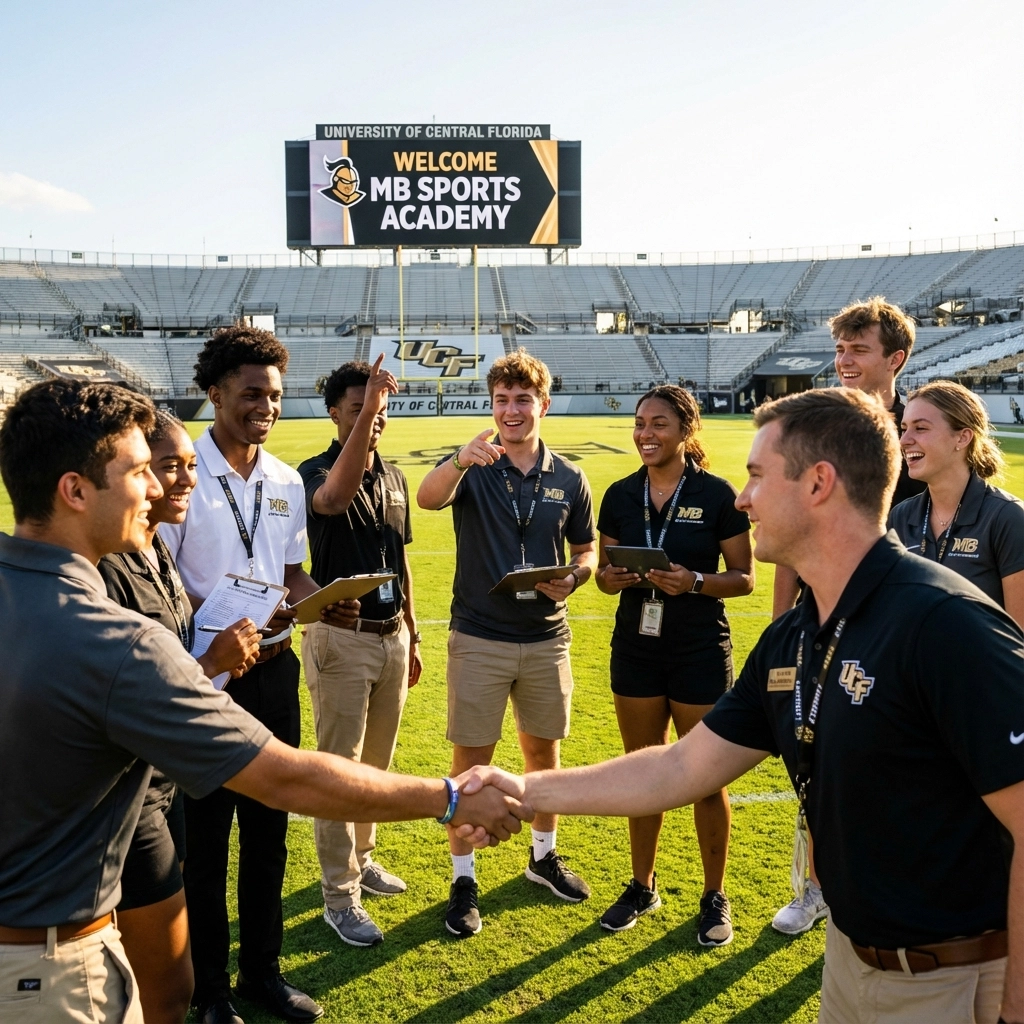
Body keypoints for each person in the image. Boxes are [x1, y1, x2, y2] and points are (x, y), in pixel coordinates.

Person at [472, 388, 1024, 1024]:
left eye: (758, 476)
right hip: (850, 964)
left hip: (960, 980)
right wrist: (523, 789)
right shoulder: (794, 634)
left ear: (818, 483)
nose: (741, 497)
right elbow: (679, 768)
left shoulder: (946, 624)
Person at [0, 379, 529, 1024]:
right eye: (140, 471)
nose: (157, 489)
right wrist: (449, 797)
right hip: (46, 975)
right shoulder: (114, 641)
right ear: (75, 491)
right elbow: (282, 777)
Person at [158, 325, 359, 1023]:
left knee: (269, 832)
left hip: (273, 672)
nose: (265, 408)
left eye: (274, 396)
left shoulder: (283, 479)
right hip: (208, 678)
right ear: (214, 394)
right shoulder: (182, 471)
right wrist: (223, 627)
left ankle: (262, 976)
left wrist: (325, 605)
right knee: (208, 842)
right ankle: (211, 991)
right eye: (250, 394)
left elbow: (292, 572)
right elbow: (166, 583)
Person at [417, 350, 598, 938]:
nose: (511, 411)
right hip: (480, 636)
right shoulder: (474, 465)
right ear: (491, 407)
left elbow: (586, 550)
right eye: (501, 401)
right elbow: (426, 497)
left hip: (546, 638)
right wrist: (456, 458)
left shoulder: (570, 477)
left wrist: (574, 578)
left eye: (522, 400)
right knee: (470, 765)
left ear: (542, 405)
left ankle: (542, 859)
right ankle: (463, 878)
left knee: (543, 759)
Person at [98, 411, 261, 1023]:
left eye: (190, 466)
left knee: (166, 972)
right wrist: (212, 661)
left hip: (162, 786)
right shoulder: (106, 566)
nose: (184, 480)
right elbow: (133, 693)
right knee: (160, 989)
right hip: (130, 794)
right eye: (165, 467)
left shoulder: (157, 550)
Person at [770, 296, 925, 935]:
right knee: (814, 754)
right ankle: (814, 886)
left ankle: (895, 887)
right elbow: (789, 528)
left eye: (858, 350)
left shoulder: (921, 432)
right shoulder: (819, 423)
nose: (845, 361)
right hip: (820, 619)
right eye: (840, 350)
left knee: (903, 761)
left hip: (900, 623)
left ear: (897, 358)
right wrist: (783, 623)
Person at [594, 386, 753, 942]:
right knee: (642, 770)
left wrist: (695, 582)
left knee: (705, 777)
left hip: (699, 649)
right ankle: (642, 886)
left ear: (686, 429)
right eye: (639, 423)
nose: (645, 434)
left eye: (658, 424)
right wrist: (608, 579)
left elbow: (745, 578)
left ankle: (715, 895)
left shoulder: (716, 494)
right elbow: (603, 572)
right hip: (636, 647)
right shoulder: (618, 494)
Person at [298, 356, 421, 948]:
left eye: (378, 410)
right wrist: (369, 408)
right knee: (336, 773)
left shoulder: (394, 476)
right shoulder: (314, 470)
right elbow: (330, 500)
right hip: (339, 642)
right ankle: (338, 895)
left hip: (390, 636)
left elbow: (400, 562)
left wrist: (412, 634)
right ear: (334, 414)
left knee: (374, 769)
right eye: (359, 409)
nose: (374, 419)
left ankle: (362, 858)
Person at [890, 380, 1024, 627]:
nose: (904, 440)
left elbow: (1020, 641)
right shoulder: (901, 516)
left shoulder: (1007, 518)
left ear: (962, 438)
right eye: (904, 428)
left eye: (920, 429)